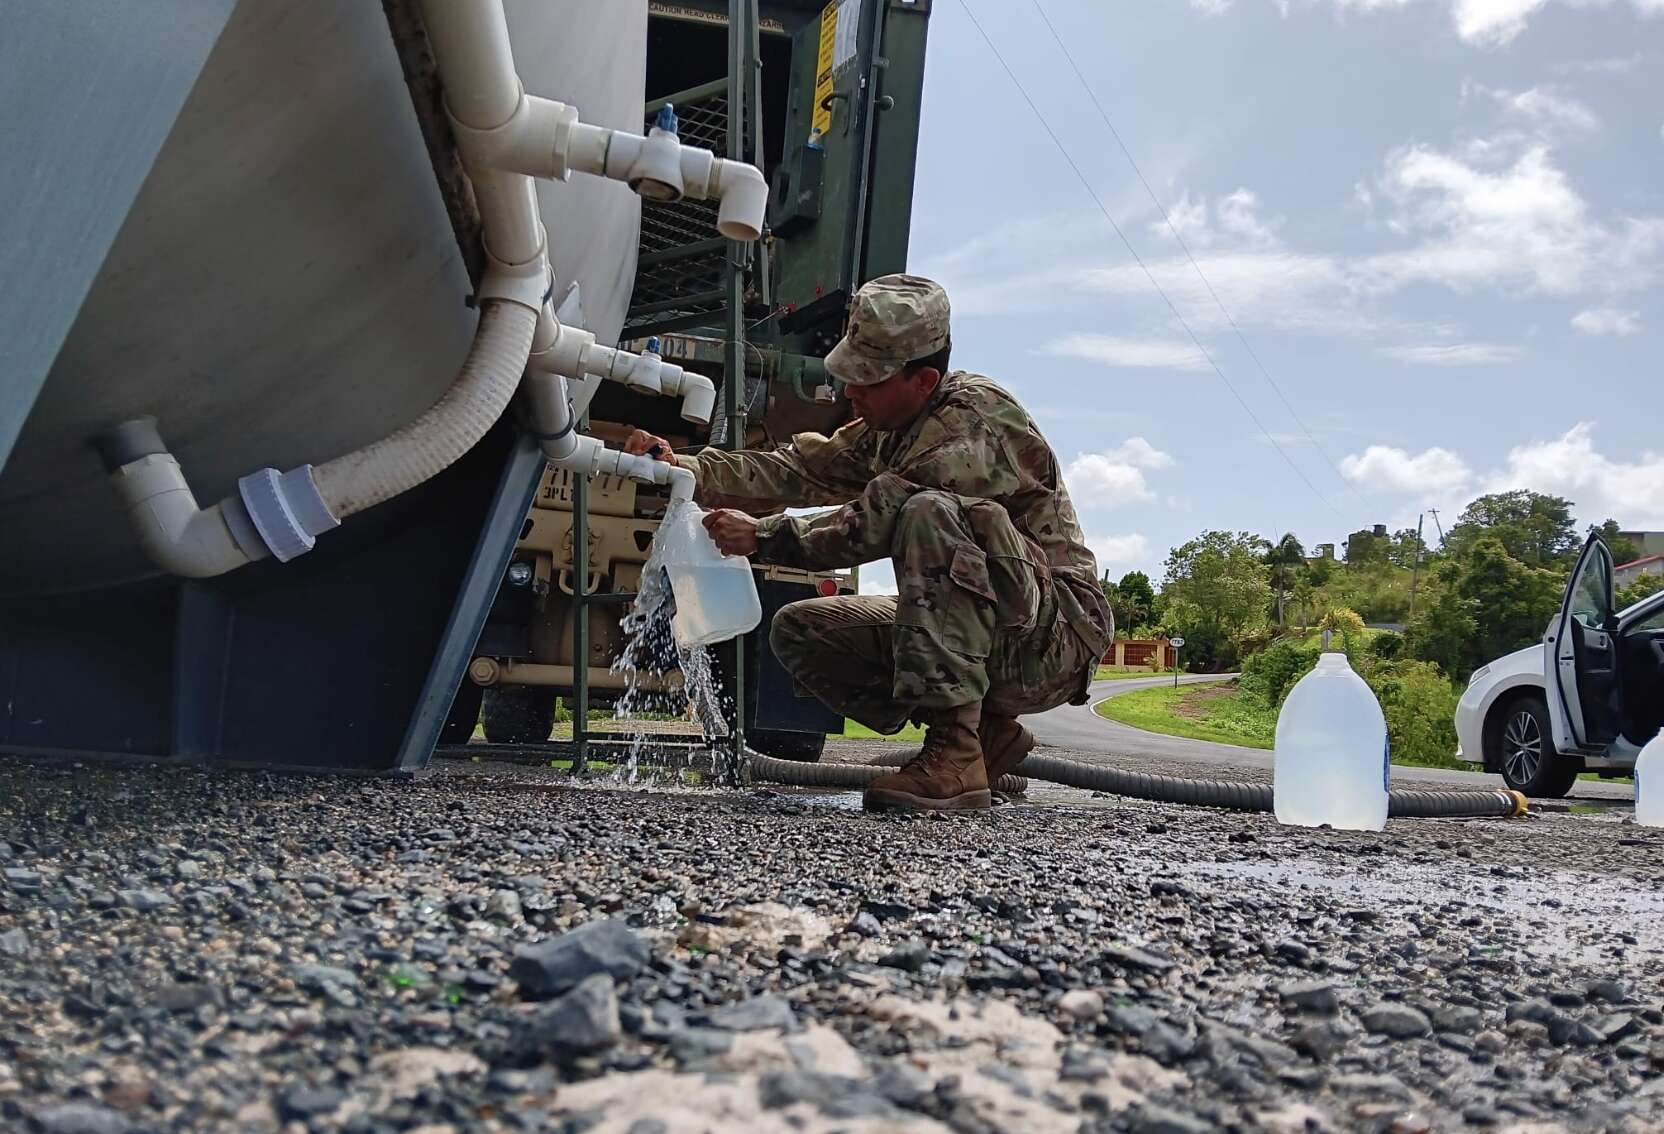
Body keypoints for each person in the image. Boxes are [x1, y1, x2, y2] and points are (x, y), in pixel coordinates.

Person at [625, 274, 1112, 812]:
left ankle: (954, 756)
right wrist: (685, 466)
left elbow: (873, 522)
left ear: (924, 379)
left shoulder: (973, 425)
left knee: (929, 513)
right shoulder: (891, 424)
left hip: (1056, 639)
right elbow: (795, 470)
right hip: (1006, 633)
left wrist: (761, 536)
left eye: (867, 379)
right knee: (802, 631)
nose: (849, 391)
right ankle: (984, 735)